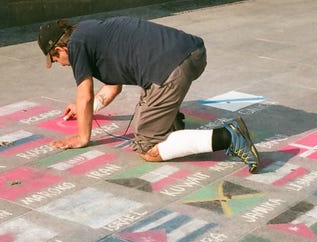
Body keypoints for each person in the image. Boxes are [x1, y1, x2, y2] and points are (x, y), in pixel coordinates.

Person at [38, 16, 260, 173]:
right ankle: (171, 123)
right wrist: (86, 110)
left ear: (59, 49)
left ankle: (230, 136)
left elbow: (84, 94)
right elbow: (113, 87)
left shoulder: (76, 46)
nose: (60, 64)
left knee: (146, 147)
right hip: (191, 52)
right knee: (150, 112)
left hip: (171, 68)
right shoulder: (88, 32)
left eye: (55, 60)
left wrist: (81, 138)